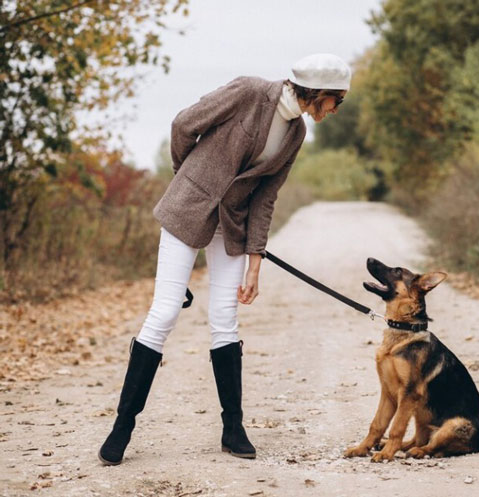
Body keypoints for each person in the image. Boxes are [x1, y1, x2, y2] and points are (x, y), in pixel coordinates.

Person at [98, 54, 351, 465]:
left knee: (224, 319)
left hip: (231, 226)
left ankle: (233, 429)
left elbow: (266, 198)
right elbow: (184, 124)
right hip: (187, 209)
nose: (336, 110)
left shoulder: (296, 133)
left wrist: (255, 263)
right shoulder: (249, 91)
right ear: (319, 92)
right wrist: (189, 178)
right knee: (163, 314)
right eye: (336, 101)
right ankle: (122, 426)